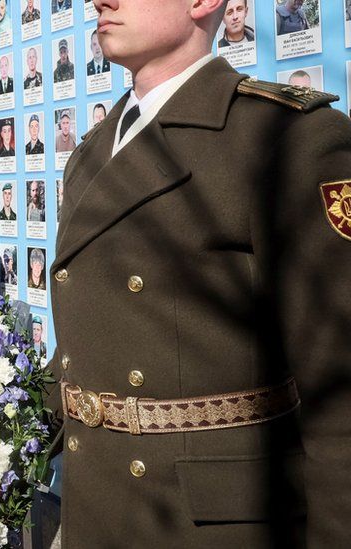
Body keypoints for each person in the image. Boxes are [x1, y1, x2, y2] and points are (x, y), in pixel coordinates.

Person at [52, 0, 351, 546]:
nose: (100, 1)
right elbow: (91, 336)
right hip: (97, 508)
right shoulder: (92, 151)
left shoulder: (286, 139)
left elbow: (340, 392)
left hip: (209, 525)